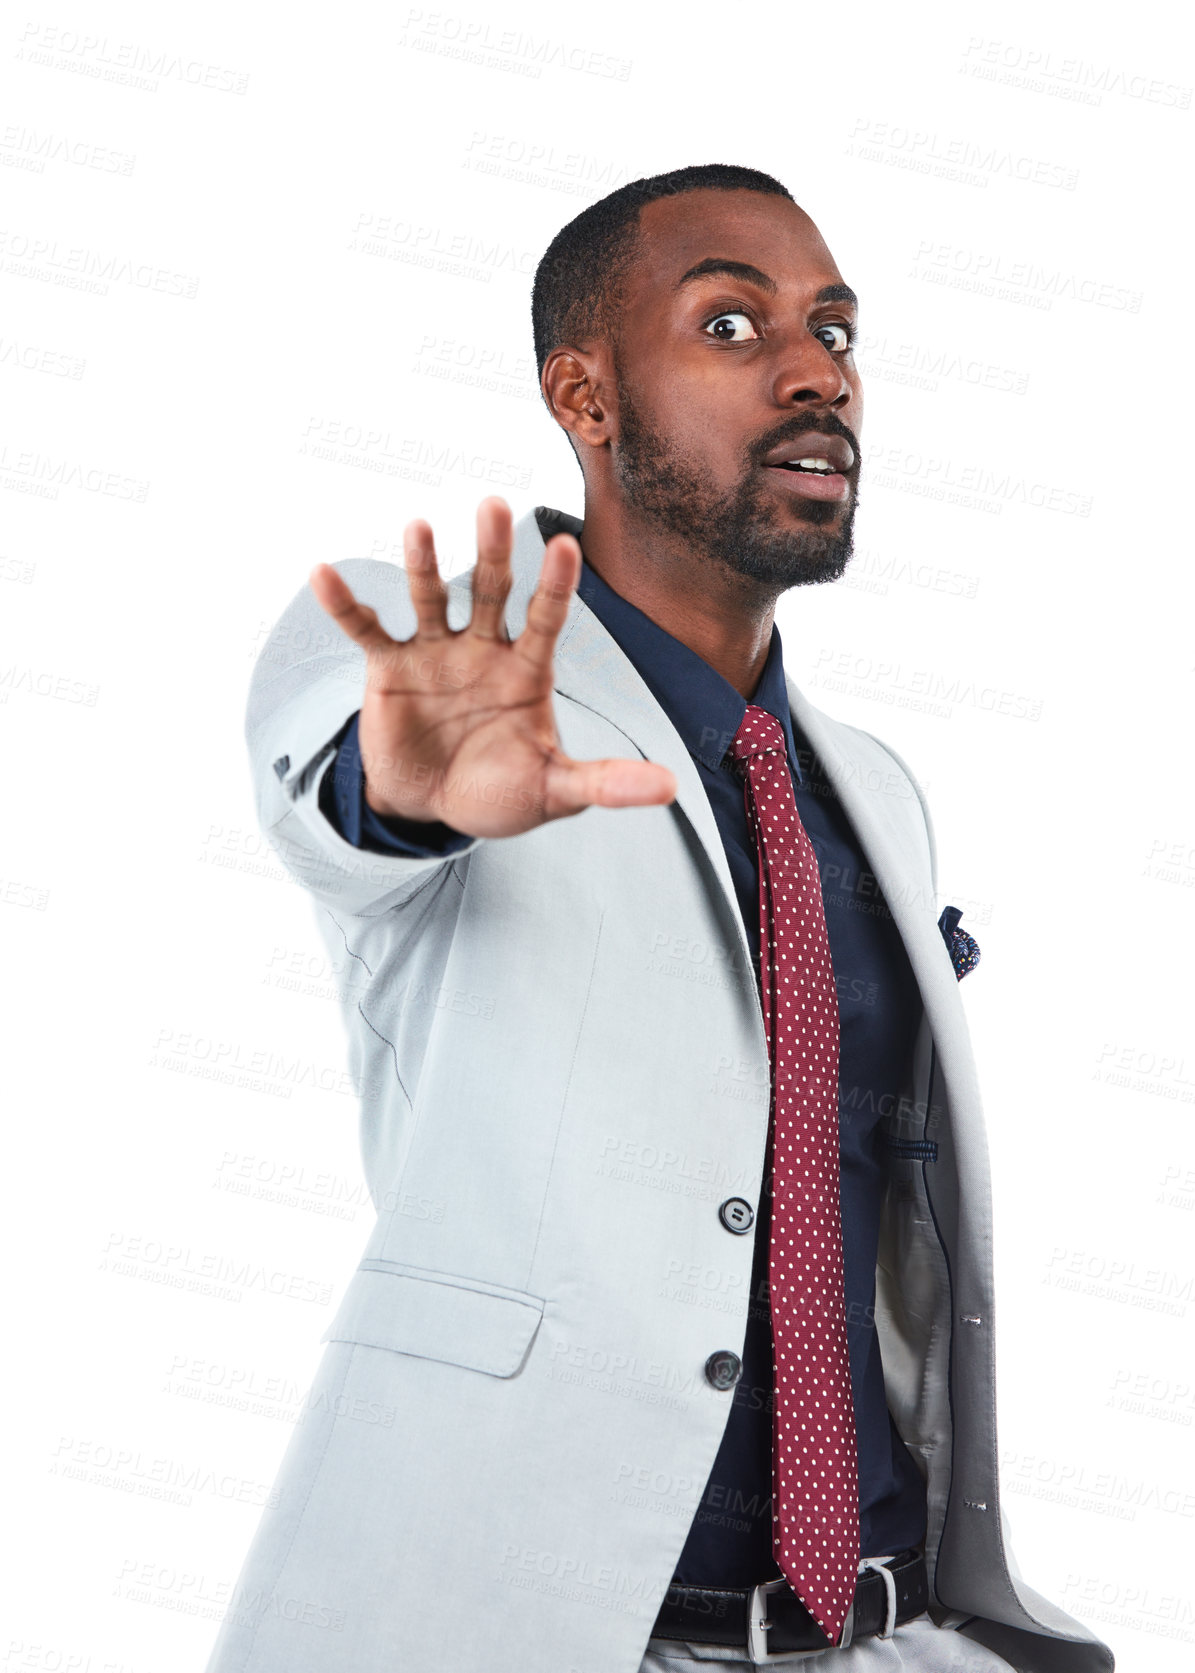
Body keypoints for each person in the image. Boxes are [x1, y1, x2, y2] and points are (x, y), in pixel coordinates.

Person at [204, 164, 1114, 1672]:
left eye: (835, 328)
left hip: (889, 1624)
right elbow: (341, 799)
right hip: (545, 1630)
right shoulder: (455, 678)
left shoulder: (874, 791)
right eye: (732, 324)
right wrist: (404, 782)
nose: (818, 370)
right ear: (588, 392)